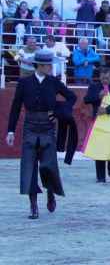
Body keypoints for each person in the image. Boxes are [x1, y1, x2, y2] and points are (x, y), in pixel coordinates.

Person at [6, 50, 76, 219]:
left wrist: (59, 112)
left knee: (48, 165)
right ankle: (33, 205)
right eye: (48, 65)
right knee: (29, 166)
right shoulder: (24, 83)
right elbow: (16, 107)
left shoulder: (53, 82)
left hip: (47, 126)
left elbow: (72, 97)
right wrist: (11, 130)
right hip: (30, 126)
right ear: (40, 66)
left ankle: (50, 191)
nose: (51, 67)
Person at [82, 67, 110, 183]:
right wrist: (98, 96)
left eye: (107, 78)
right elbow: (86, 100)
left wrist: (106, 110)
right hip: (97, 122)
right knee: (100, 149)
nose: (105, 80)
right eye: (103, 77)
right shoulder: (94, 87)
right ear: (100, 77)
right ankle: (100, 176)